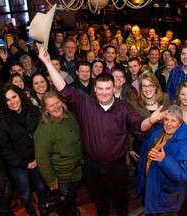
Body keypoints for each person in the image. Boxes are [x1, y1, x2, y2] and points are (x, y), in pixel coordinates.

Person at [38, 44, 167, 216]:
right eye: (100, 89)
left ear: (114, 88)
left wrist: (150, 120)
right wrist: (47, 62)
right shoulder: (85, 104)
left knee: (120, 202)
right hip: (91, 167)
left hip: (116, 168)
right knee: (100, 203)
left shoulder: (124, 108)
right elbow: (64, 89)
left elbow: (139, 124)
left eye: (108, 89)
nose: (104, 93)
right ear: (95, 89)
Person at [0, 84, 47, 216]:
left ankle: (43, 208)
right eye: (8, 100)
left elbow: (43, 135)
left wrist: (39, 156)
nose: (13, 102)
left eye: (14, 96)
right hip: (19, 166)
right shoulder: (0, 124)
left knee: (41, 187)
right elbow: (5, 151)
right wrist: (24, 164)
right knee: (25, 193)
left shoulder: (33, 111)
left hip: (38, 159)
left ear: (20, 95)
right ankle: (32, 213)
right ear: (3, 103)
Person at [136, 105, 187, 215]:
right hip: (151, 187)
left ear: (180, 124)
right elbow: (141, 136)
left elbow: (182, 175)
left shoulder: (184, 145)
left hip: (166, 199)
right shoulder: (159, 131)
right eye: (166, 119)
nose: (168, 123)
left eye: (173, 120)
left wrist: (164, 160)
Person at [34, 91, 82, 215]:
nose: (56, 107)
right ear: (46, 110)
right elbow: (42, 158)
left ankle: (72, 208)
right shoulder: (44, 129)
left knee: (72, 194)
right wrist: (51, 181)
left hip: (76, 170)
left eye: (57, 102)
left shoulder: (70, 116)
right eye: (51, 105)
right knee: (61, 202)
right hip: (61, 176)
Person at [129, 72, 170, 174]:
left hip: (161, 147)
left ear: (156, 86)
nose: (147, 89)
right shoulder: (135, 104)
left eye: (150, 85)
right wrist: (130, 149)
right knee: (143, 176)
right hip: (141, 146)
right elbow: (130, 129)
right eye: (144, 86)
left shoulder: (165, 99)